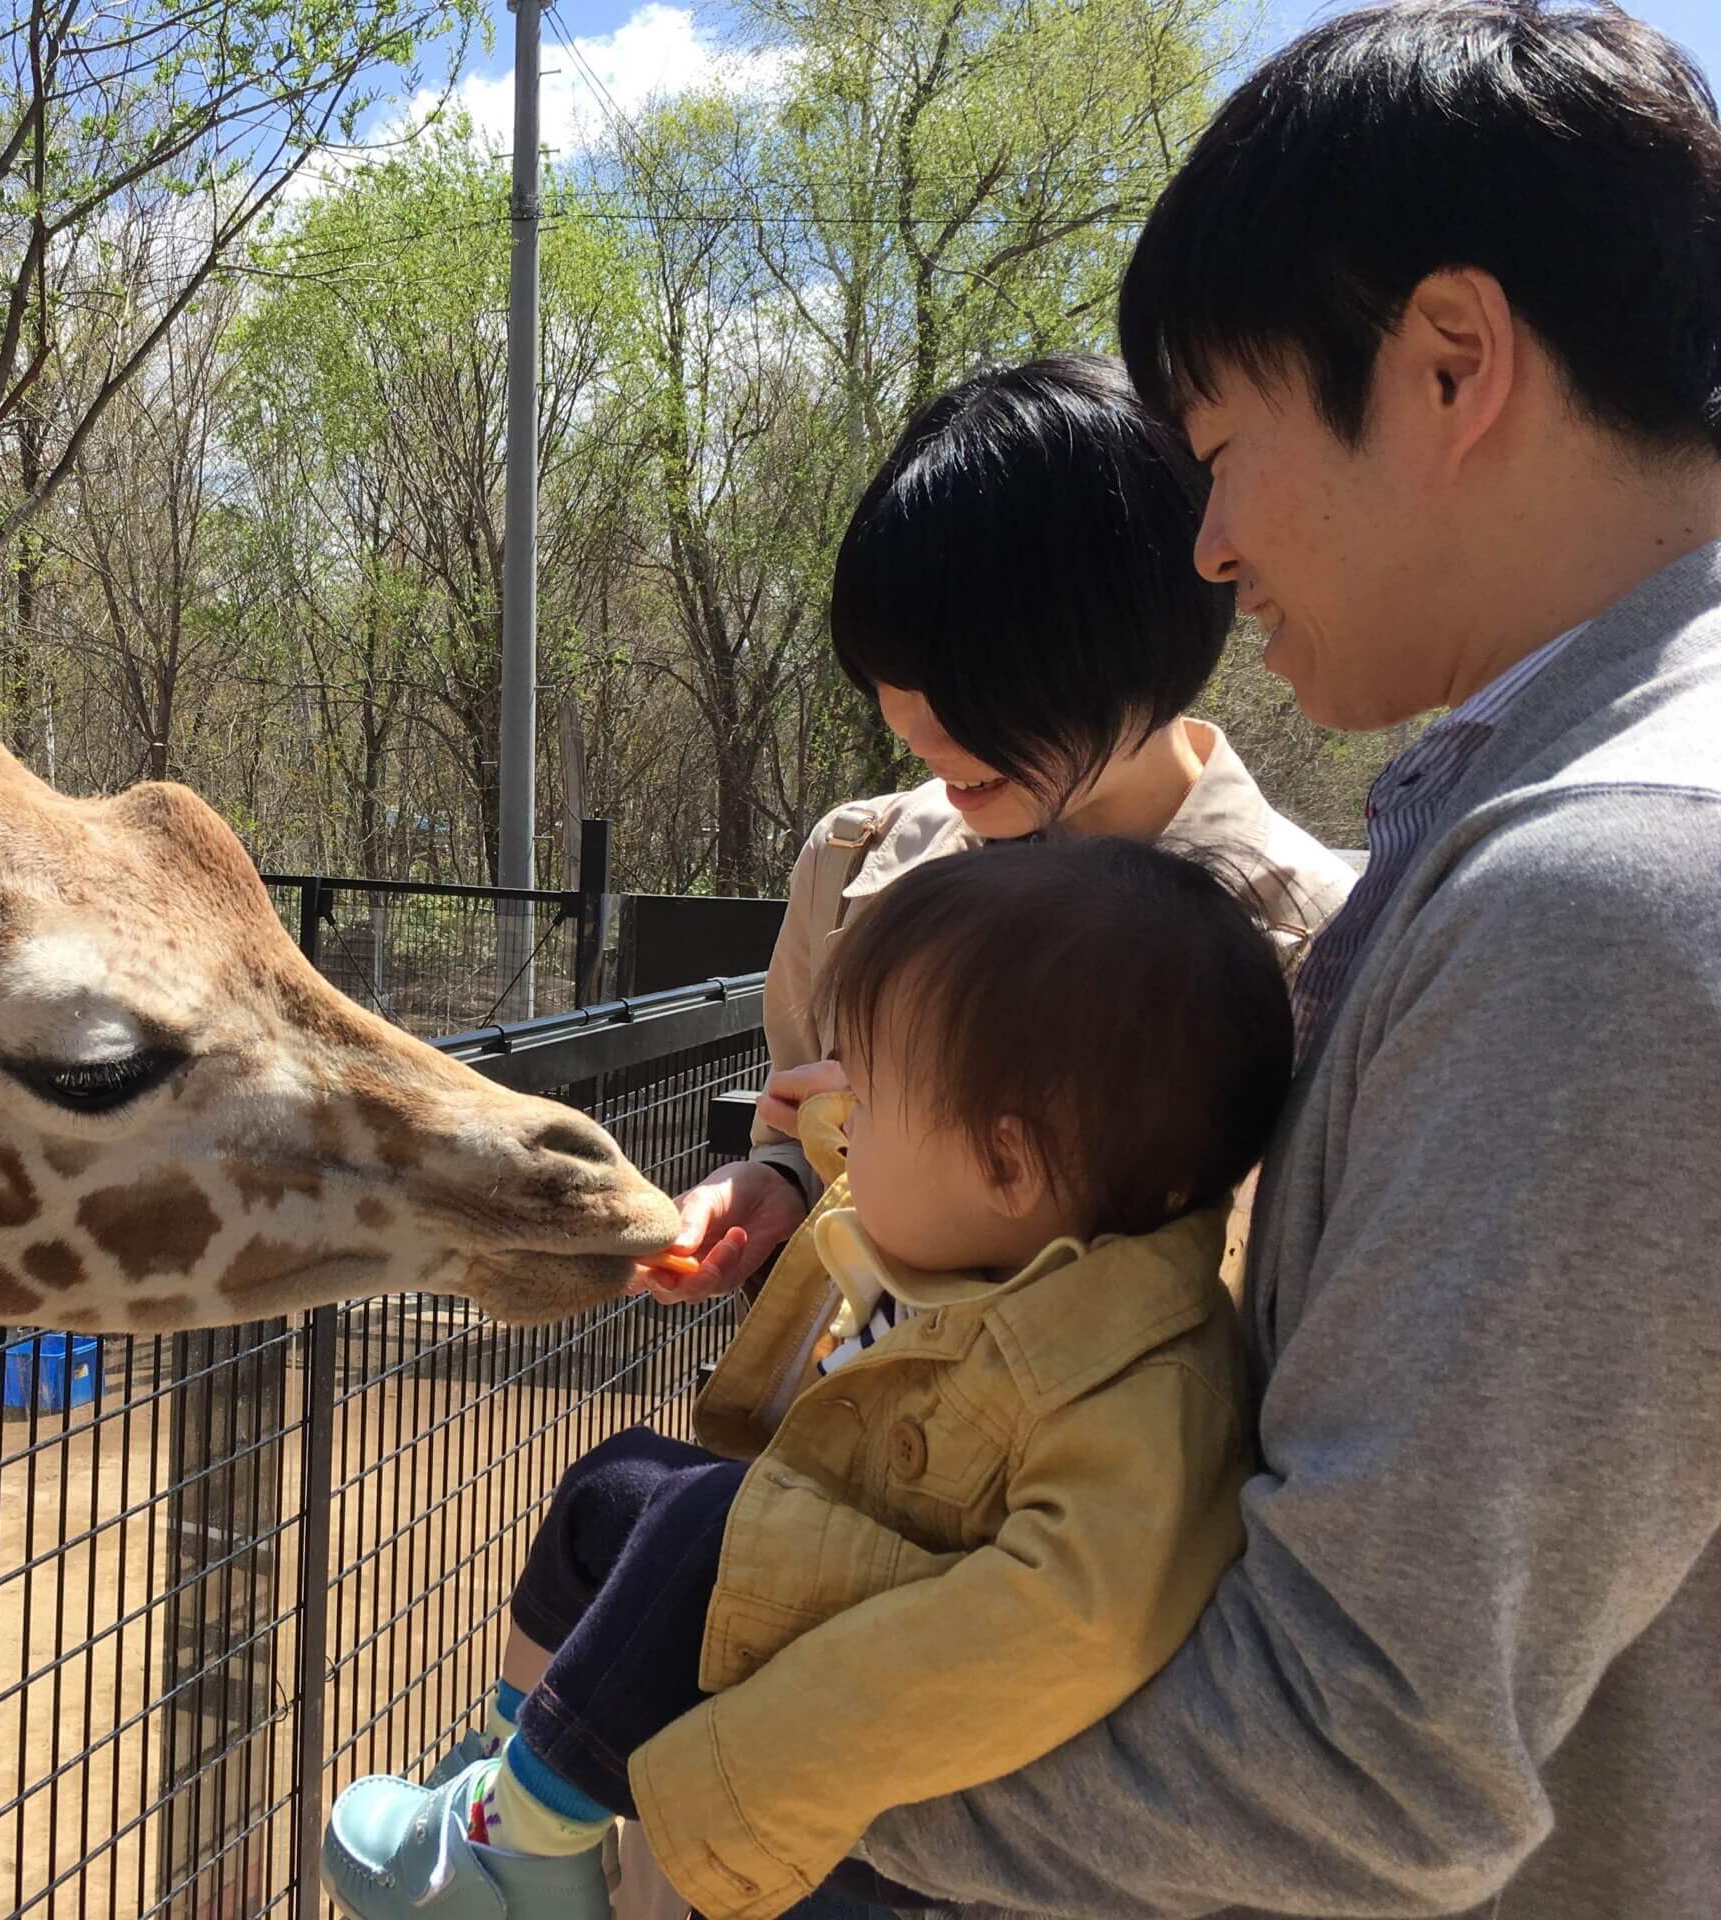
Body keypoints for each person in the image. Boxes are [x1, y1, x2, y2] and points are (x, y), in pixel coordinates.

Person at [796, 5, 1721, 1915]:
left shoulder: (1604, 890)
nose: (1205, 546)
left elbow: (1366, 1752)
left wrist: (731, 1777)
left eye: (1224, 448)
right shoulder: (1546, 816)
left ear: (1453, 363)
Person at [320, 837, 1298, 1920]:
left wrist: (752, 1771)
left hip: (865, 1802)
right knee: (619, 1490)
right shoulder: (1002, 1246)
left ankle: (523, 1841)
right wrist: (786, 1183)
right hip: (825, 1607)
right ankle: (511, 1788)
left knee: (696, 1531)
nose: (836, 1126)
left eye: (866, 1103)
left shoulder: (1144, 1384)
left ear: (1009, 1165)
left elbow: (1067, 1624)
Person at [647, 356, 1351, 1322]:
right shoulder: (855, 861)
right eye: (891, 675)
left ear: (1131, 640)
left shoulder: (1318, 955)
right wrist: (786, 1182)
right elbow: (801, 1133)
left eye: (973, 683)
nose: (917, 732)